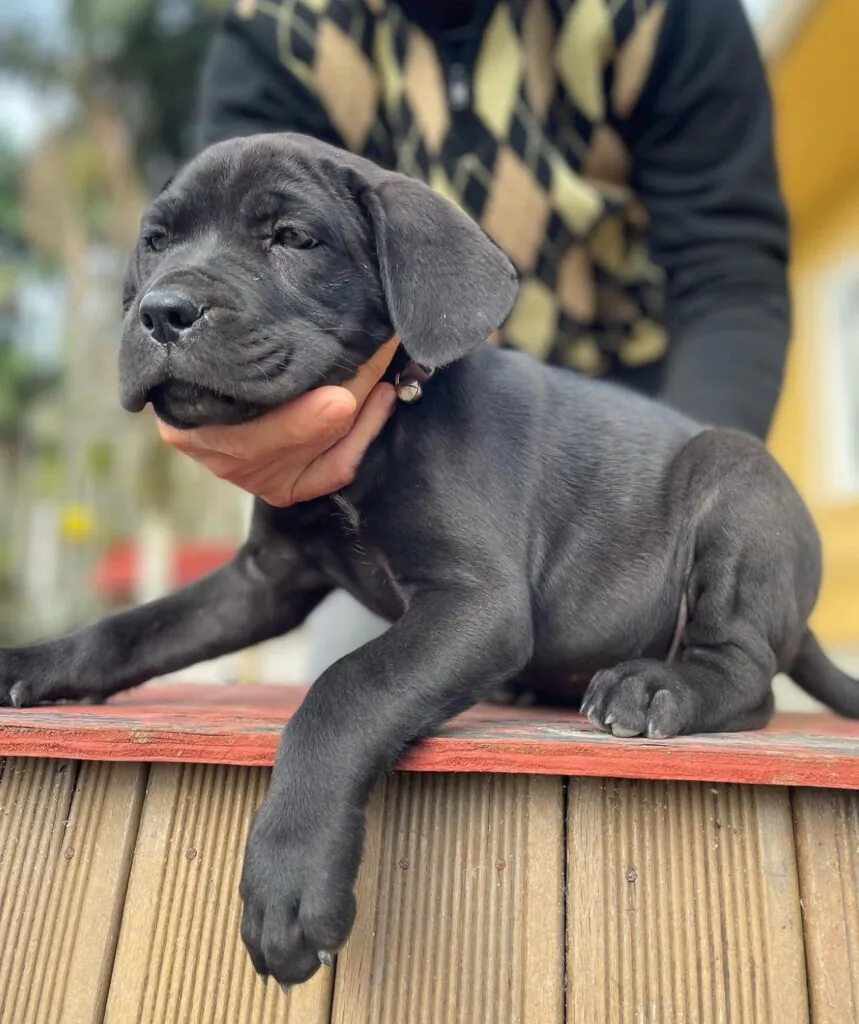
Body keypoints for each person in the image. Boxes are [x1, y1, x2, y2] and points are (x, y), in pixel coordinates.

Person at [158, 0, 791, 677]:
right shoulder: (281, 28)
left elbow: (726, 278)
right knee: (355, 689)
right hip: (392, 460)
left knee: (682, 701)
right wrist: (236, 419)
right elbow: (226, 275)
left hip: (622, 463)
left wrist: (676, 535)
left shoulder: (660, 16)